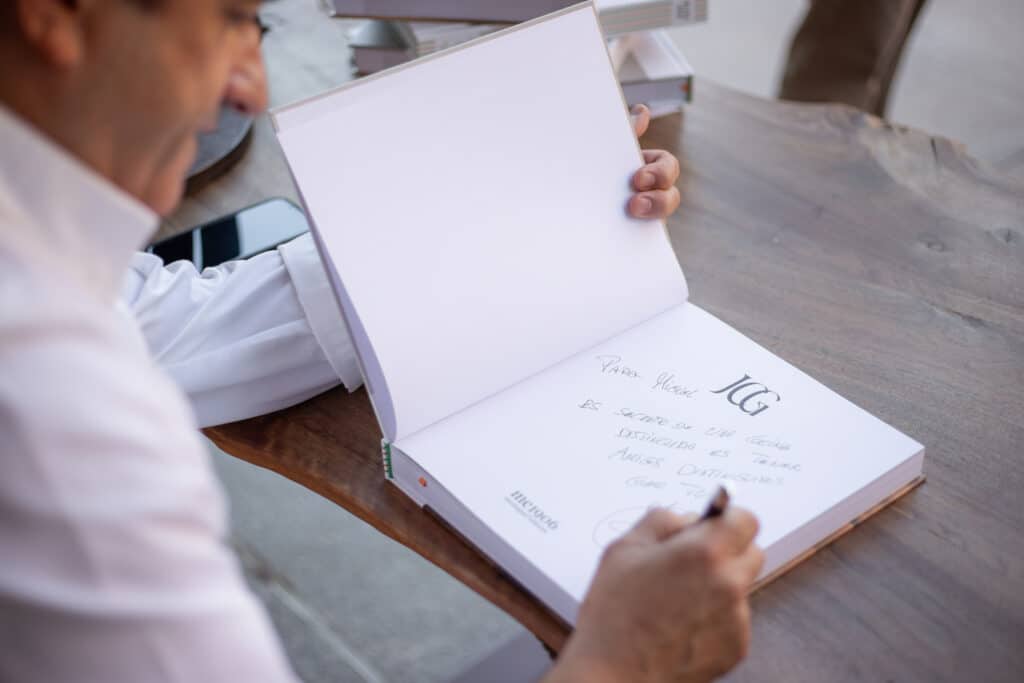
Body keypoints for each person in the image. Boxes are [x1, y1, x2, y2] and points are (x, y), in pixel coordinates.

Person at [0, 1, 764, 681]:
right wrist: (622, 661)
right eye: (232, 19)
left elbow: (149, 319)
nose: (252, 89)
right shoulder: (58, 420)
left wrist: (484, 222)